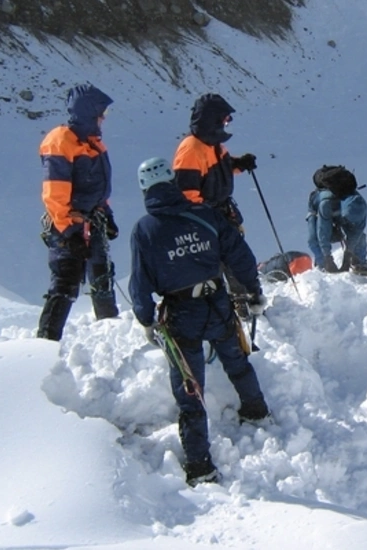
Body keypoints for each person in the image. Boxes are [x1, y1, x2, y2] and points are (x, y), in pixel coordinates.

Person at [129, 157, 269, 487]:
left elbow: (140, 282)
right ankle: (256, 408)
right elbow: (240, 255)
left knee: (190, 389)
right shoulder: (205, 214)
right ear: (172, 181)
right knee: (236, 359)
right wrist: (253, 292)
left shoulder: (145, 230)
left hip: (181, 314)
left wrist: (146, 319)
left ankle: (199, 464)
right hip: (218, 303)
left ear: (144, 189)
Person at [37, 83, 119, 341]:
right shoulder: (61, 141)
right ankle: (45, 342)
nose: (104, 118)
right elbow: (55, 193)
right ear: (88, 112)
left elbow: (97, 186)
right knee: (66, 280)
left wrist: (106, 213)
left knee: (102, 274)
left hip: (92, 218)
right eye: (101, 113)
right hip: (68, 224)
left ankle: (110, 331)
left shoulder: (93, 143)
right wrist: (68, 232)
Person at [172, 93, 258, 296]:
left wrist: (239, 164)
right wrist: (207, 219)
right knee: (218, 266)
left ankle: (243, 302)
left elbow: (223, 168)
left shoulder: (213, 145)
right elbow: (186, 193)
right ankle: (233, 306)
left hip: (220, 214)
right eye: (225, 119)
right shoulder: (191, 149)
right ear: (213, 119)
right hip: (205, 219)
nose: (227, 123)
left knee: (236, 260)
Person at [306, 165, 367, 273]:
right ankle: (323, 266)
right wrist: (327, 257)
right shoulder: (326, 203)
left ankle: (360, 262)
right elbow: (323, 231)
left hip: (340, 212)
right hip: (319, 211)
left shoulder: (360, 205)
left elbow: (357, 232)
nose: (352, 223)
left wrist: (348, 252)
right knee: (314, 239)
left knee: (360, 237)